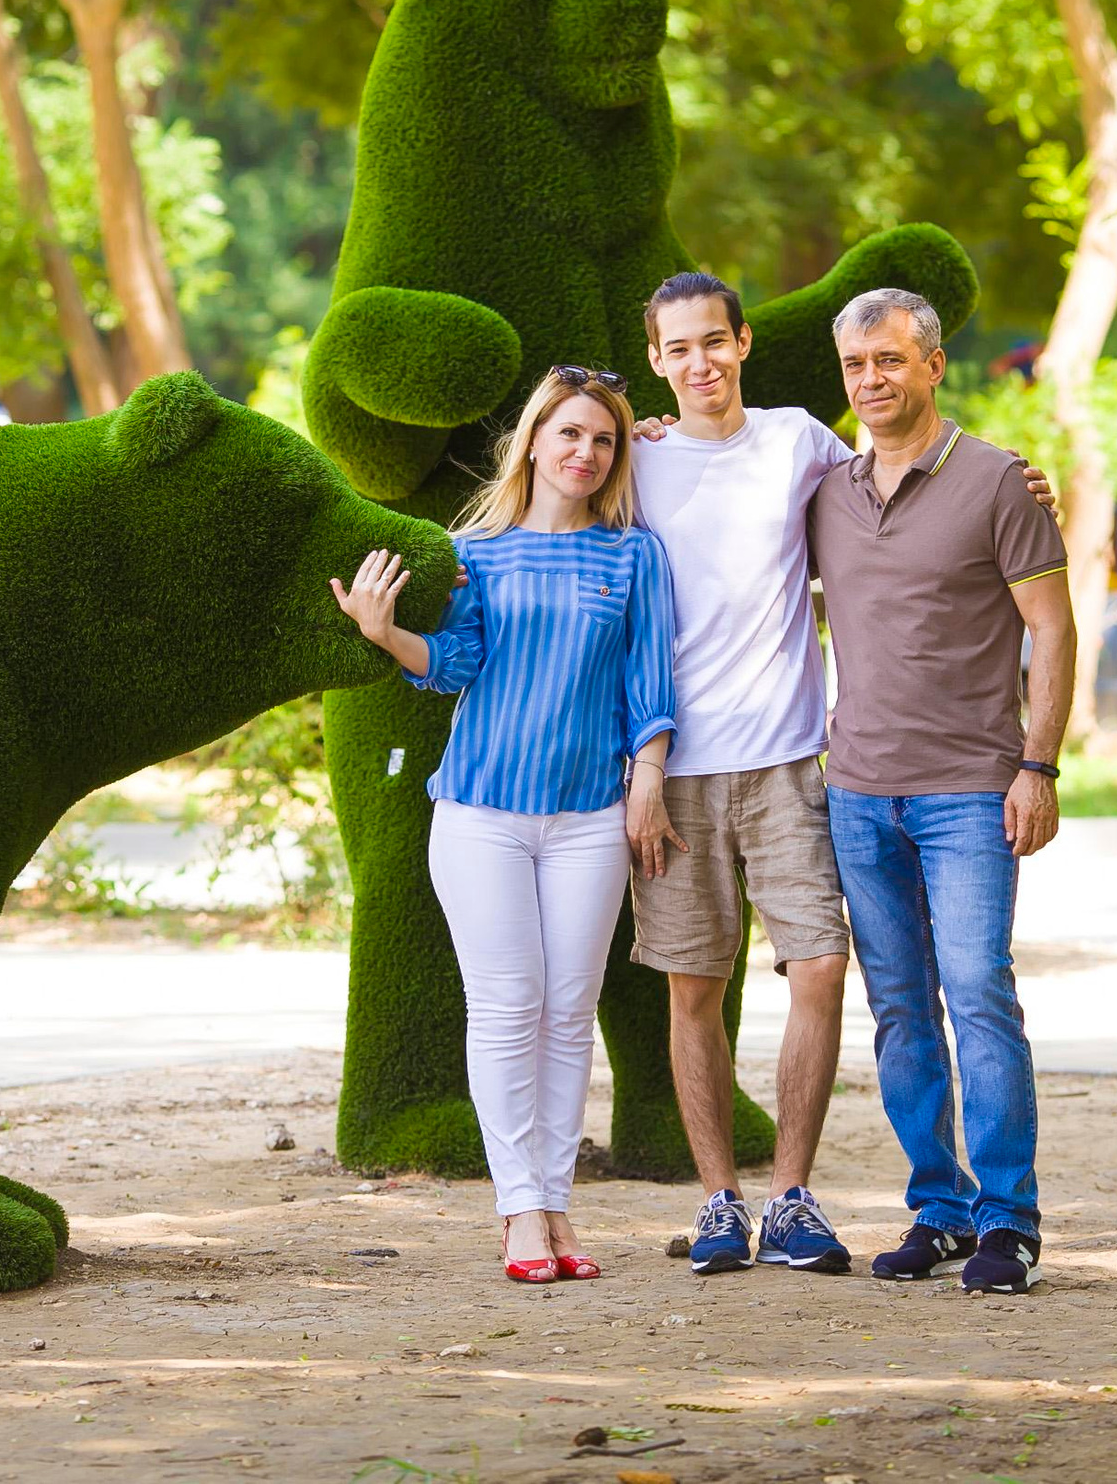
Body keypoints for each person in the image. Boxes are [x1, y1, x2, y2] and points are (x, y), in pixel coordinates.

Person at [623, 272, 1053, 1278]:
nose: (698, 362)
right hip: (694, 769)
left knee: (862, 977)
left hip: (799, 767)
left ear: (741, 343)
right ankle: (740, 1203)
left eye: (713, 342)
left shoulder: (800, 447)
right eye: (677, 348)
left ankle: (843, 1205)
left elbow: (934, 485)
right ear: (656, 359)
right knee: (736, 993)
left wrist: (1017, 482)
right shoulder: (637, 465)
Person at [331, 367, 677, 1284]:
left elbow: (652, 688)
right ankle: (519, 1207)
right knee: (506, 1006)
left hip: (590, 818)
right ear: (533, 440)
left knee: (568, 1013)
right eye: (568, 434)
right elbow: (454, 661)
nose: (585, 453)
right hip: (481, 812)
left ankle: (556, 1202)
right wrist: (384, 633)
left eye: (602, 440)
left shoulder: (634, 554)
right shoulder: (476, 550)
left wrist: (648, 782)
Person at [810, 287, 1074, 1295]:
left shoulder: (999, 482)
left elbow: (1052, 628)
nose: (870, 381)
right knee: (901, 1012)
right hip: (858, 792)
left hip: (970, 789)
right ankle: (940, 1208)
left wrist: (1037, 766)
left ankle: (1009, 1221)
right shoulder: (826, 491)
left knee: (978, 997)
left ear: (931, 365)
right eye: (854, 366)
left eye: (887, 360)